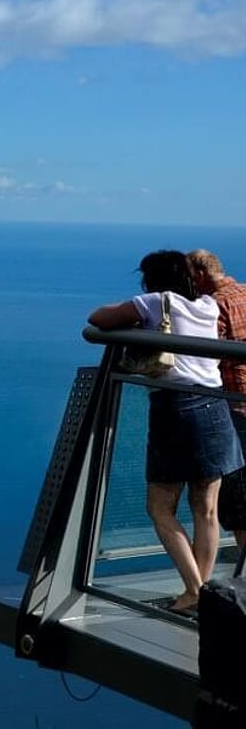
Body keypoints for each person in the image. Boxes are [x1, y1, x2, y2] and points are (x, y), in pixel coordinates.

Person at [89, 250, 243, 613]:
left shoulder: (157, 302)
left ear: (151, 279)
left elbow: (98, 318)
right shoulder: (207, 304)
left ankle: (194, 589)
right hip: (215, 407)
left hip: (175, 411)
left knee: (159, 507)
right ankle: (201, 593)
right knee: (206, 509)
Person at [188, 249, 246, 547]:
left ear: (199, 273)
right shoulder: (245, 293)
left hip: (235, 405)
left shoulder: (213, 305)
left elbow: (206, 354)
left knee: (238, 492)